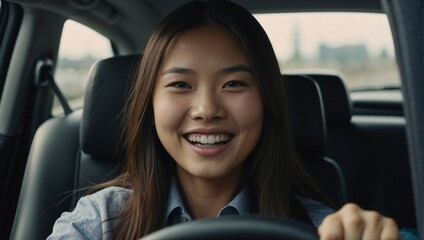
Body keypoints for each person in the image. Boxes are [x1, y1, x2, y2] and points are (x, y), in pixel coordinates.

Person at [48, 1, 408, 239]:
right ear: (150, 104)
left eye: (234, 84)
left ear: (266, 101)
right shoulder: (100, 221)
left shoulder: (322, 228)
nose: (206, 109)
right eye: (180, 84)